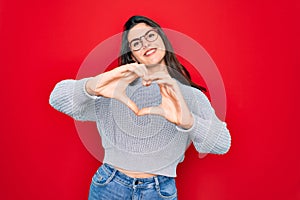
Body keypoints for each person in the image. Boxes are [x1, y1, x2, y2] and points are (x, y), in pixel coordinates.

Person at [49, 15, 231, 200]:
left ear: (163, 39)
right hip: (109, 187)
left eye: (150, 36)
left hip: (160, 192)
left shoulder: (189, 96)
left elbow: (222, 143)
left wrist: (189, 122)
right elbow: (56, 98)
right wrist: (92, 85)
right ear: (131, 54)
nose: (145, 43)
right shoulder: (115, 90)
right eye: (136, 43)